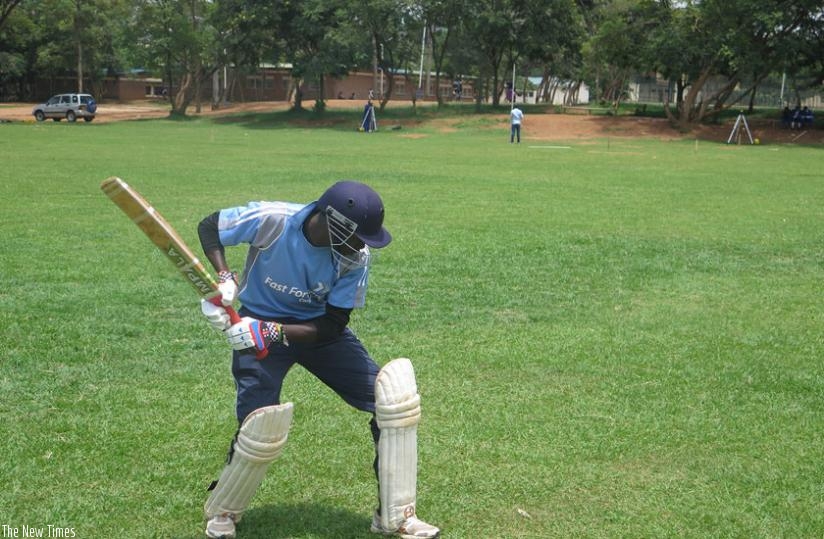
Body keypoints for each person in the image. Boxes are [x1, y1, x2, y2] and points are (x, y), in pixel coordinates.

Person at [197, 181, 440, 539]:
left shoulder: (355, 257)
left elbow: (333, 324)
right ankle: (224, 511)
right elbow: (210, 227)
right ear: (333, 222)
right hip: (255, 322)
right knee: (257, 424)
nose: (362, 246)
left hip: (315, 333)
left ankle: (396, 516)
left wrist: (273, 331)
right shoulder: (273, 219)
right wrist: (223, 276)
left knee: (392, 405)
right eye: (359, 236)